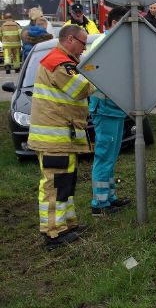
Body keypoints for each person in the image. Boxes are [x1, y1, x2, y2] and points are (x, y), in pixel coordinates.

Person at [28, 25, 96, 249]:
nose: (83, 49)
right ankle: (52, 234)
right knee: (55, 186)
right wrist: (99, 73)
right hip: (54, 140)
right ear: (69, 40)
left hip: (62, 139)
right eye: (82, 43)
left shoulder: (65, 61)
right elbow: (81, 89)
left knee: (65, 184)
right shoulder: (57, 62)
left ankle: (67, 225)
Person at [87, 6, 131, 216]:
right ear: (115, 23)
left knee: (110, 156)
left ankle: (110, 198)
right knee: (104, 156)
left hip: (114, 108)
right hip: (105, 107)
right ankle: (100, 205)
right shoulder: (102, 44)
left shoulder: (112, 44)